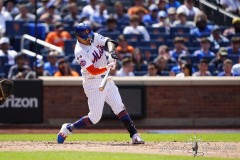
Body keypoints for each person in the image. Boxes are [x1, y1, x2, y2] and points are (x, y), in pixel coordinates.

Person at [57, 23, 144, 144]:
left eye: (89, 35)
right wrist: (107, 66)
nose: (88, 38)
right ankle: (68, 128)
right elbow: (92, 70)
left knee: (119, 107)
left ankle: (134, 135)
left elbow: (110, 42)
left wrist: (112, 52)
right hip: (93, 82)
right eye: (85, 36)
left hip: (106, 79)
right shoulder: (79, 51)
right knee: (94, 118)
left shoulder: (94, 36)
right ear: (78, 36)